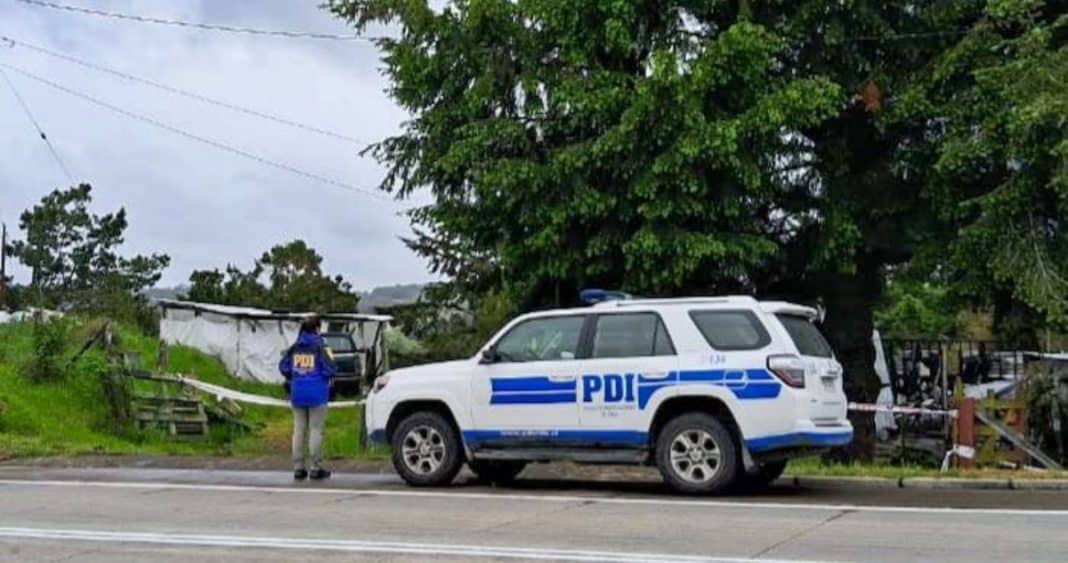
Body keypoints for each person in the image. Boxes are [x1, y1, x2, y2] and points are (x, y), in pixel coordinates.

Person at [279, 315, 336, 480]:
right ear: (318, 328)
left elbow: (283, 366)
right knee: (316, 430)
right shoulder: (322, 346)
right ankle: (315, 467)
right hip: (317, 394)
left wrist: (295, 376)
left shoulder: (295, 347)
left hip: (297, 393)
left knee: (298, 430)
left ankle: (298, 467)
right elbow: (332, 368)